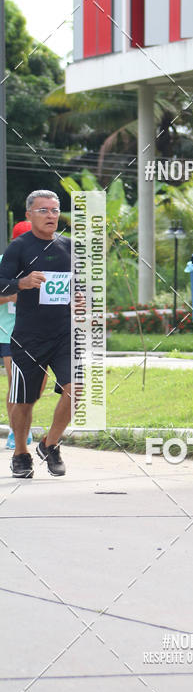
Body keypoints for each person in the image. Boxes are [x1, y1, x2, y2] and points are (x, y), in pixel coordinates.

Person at [0, 191, 73, 478]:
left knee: (76, 389)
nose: (51, 215)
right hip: (29, 337)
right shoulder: (19, 248)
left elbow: (80, 288)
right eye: (44, 210)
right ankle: (20, 453)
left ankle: (50, 443)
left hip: (65, 335)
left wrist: (81, 298)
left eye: (55, 210)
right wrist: (23, 283)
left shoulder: (69, 247)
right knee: (24, 399)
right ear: (29, 214)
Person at [0, 221, 37, 450]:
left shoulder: (43, 263)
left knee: (30, 387)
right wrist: (10, 297)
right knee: (15, 384)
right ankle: (16, 431)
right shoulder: (4, 264)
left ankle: (24, 426)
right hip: (9, 333)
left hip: (37, 333)